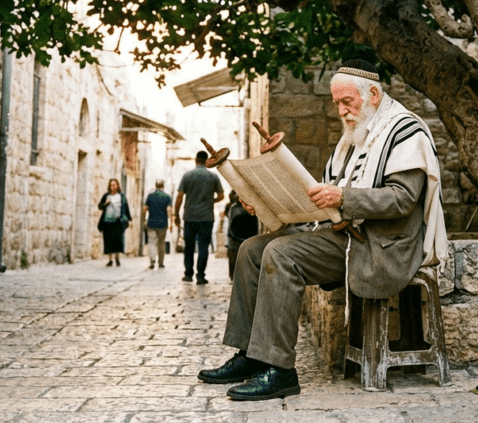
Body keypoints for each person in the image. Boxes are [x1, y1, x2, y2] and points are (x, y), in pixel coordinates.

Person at [196, 60, 446, 401]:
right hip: (346, 236)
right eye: (337, 103)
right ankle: (250, 356)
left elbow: (401, 200)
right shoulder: (353, 136)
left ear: (372, 94)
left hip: (382, 245)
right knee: (253, 249)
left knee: (280, 254)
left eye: (347, 102)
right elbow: (327, 197)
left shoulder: (406, 131)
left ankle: (280, 369)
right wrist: (266, 200)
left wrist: (343, 197)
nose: (341, 111)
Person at [174, 150, 224, 285]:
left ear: (196, 160)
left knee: (189, 246)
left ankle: (188, 274)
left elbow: (179, 197)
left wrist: (176, 214)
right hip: (206, 217)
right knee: (203, 247)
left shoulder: (187, 175)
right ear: (206, 161)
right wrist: (210, 201)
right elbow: (221, 196)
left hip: (190, 217)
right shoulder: (213, 176)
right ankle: (200, 275)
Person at [225, 191, 259, 281]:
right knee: (236, 256)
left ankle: (236, 276)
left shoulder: (233, 207)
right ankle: (235, 276)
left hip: (240, 236)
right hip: (239, 236)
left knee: (237, 256)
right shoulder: (233, 207)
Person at [97, 178, 131, 267]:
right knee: (108, 241)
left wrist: (128, 219)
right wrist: (105, 204)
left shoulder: (121, 196)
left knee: (118, 240)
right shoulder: (106, 196)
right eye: (111, 185)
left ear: (117, 185)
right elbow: (100, 206)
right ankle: (110, 260)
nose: (112, 187)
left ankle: (117, 257)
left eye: (114, 185)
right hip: (108, 221)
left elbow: (125, 207)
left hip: (118, 221)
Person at [142, 179, 173, 269]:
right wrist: (171, 223)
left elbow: (145, 209)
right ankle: (161, 262)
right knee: (161, 243)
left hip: (151, 222)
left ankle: (152, 261)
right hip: (163, 223)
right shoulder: (167, 197)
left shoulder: (150, 196)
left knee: (151, 242)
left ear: (156, 185)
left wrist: (144, 219)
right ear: (163, 186)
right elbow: (169, 210)